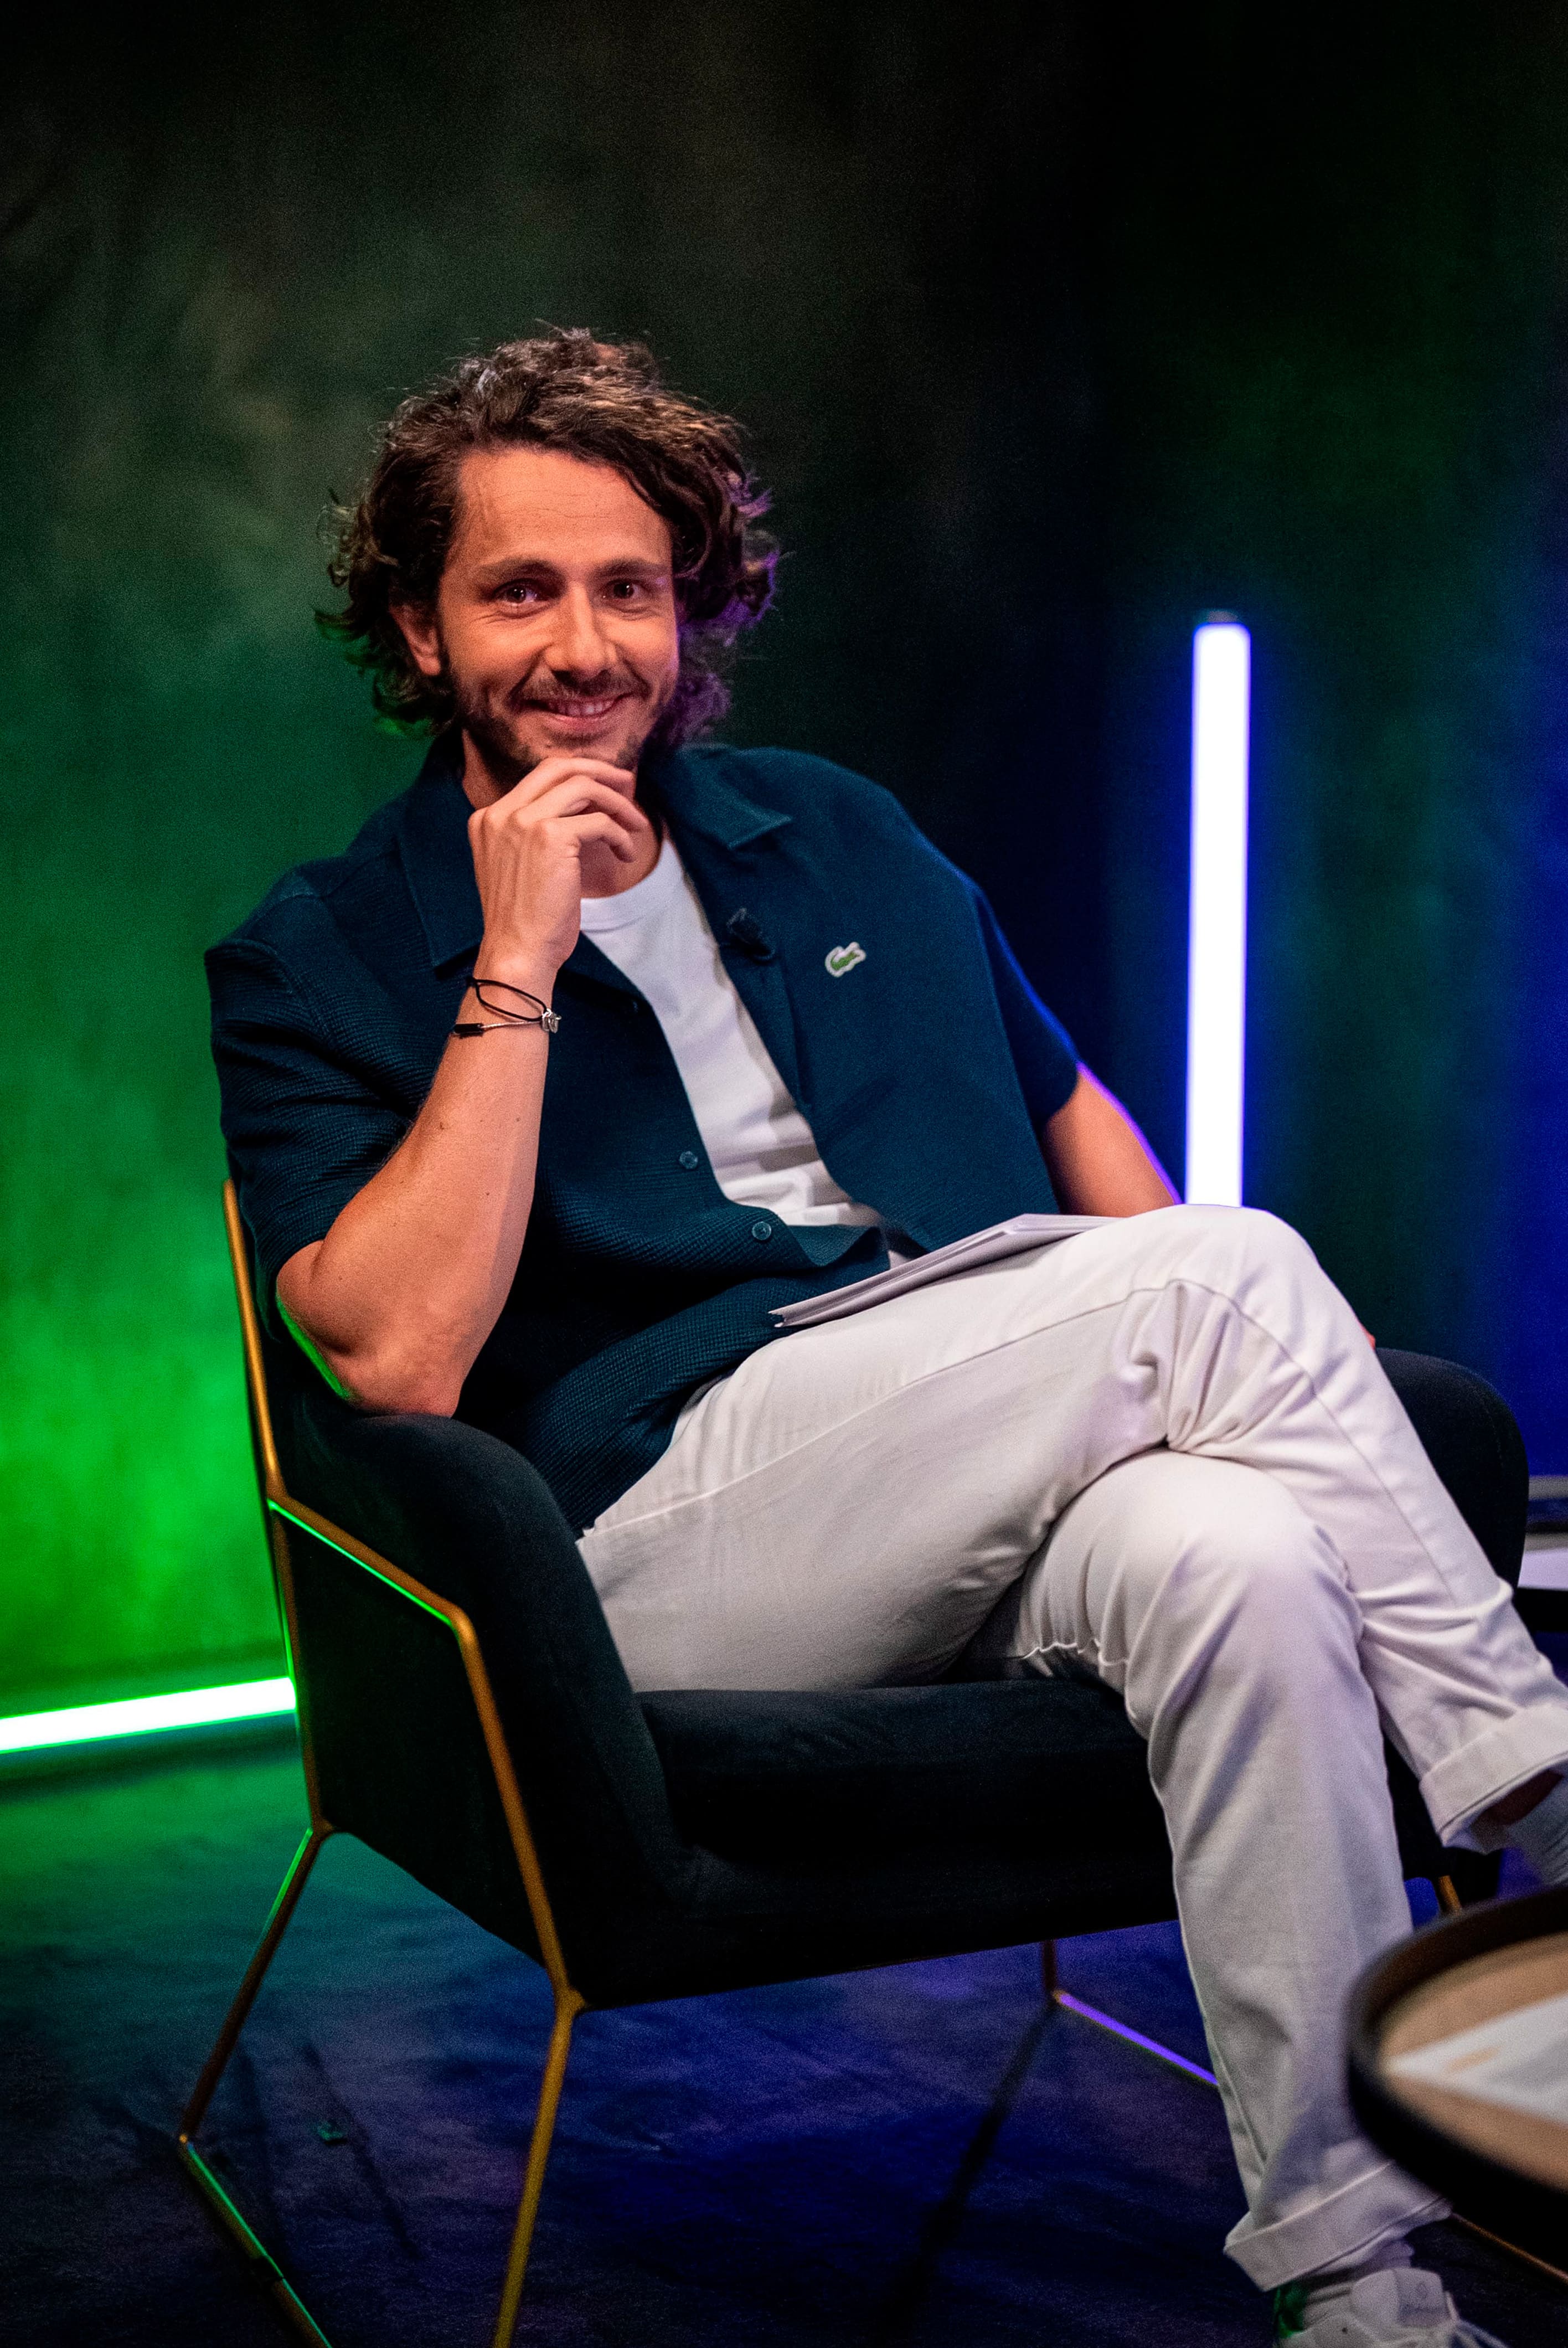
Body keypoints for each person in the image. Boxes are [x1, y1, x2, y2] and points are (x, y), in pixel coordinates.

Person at [208, 331, 1568, 2347]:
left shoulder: (836, 832)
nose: (583, 645)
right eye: (519, 592)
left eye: (628, 588)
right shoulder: (318, 951)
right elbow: (395, 1361)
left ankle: (1361, 2279)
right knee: (1221, 1270)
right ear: (421, 629)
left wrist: (1269, 1391)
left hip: (978, 1456)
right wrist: (519, 960)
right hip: (661, 1543)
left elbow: (1086, 1140)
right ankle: (1544, 1816)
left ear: (688, 611)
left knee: (1248, 1561)